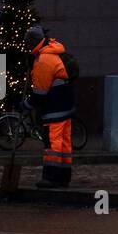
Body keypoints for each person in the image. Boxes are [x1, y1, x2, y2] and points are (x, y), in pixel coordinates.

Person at [25, 26, 75, 188]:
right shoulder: (54, 51)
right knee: (64, 143)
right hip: (66, 105)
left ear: (33, 42)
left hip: (54, 108)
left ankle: (51, 177)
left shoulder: (43, 60)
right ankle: (63, 176)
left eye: (27, 43)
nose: (26, 46)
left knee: (53, 144)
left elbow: (40, 93)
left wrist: (25, 105)